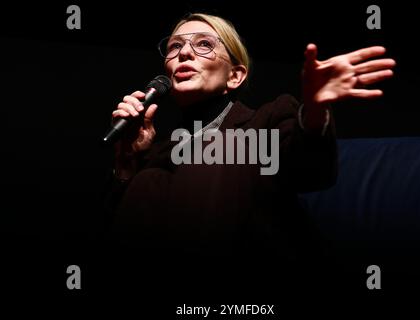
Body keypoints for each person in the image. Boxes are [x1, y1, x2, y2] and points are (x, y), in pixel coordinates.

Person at [104, 12, 395, 295]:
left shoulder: (268, 118)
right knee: (148, 180)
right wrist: (128, 161)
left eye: (204, 44)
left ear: (235, 76)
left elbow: (312, 172)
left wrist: (316, 110)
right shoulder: (159, 152)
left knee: (220, 149)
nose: (185, 53)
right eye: (175, 46)